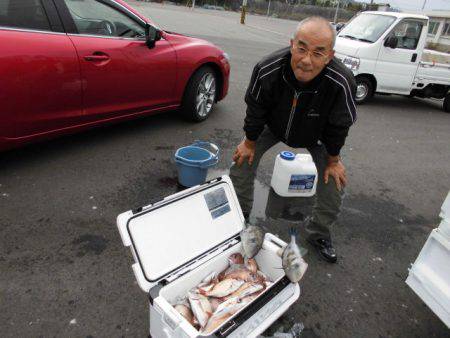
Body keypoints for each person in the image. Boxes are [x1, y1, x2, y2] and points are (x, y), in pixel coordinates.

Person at [229, 16, 357, 263]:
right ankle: (240, 217)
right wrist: (249, 141)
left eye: (318, 53)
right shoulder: (267, 69)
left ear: (330, 56)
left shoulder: (341, 82)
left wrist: (333, 160)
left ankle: (319, 233)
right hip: (273, 125)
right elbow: (255, 109)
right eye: (302, 48)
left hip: (317, 134)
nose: (307, 60)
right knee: (241, 161)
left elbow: (338, 126)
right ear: (291, 44)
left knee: (334, 181)